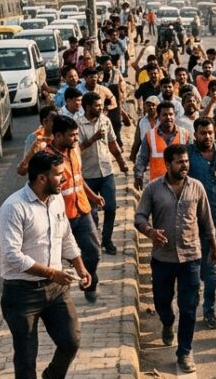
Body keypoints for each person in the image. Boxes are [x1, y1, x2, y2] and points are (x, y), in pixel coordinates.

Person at [0, 151, 92, 379]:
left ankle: (55, 376)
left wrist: (80, 267)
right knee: (26, 357)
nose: (64, 178)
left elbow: (66, 237)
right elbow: (12, 256)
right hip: (21, 294)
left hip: (55, 289)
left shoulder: (57, 200)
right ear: (41, 178)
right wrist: (53, 273)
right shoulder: (13, 208)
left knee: (71, 340)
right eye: (58, 174)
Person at [136, 143, 216, 373]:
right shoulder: (153, 189)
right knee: (162, 302)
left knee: (189, 307)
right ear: (168, 164)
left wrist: (213, 247)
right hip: (162, 258)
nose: (185, 166)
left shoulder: (197, 187)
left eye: (187, 161)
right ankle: (167, 322)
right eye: (180, 162)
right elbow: (140, 216)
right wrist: (150, 231)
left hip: (191, 257)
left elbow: (206, 220)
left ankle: (184, 353)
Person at [48, 115, 106, 304]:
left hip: (82, 209)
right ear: (57, 136)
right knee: (56, 257)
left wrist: (93, 197)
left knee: (93, 251)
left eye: (76, 135)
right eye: (71, 136)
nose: (75, 139)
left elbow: (78, 179)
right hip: (59, 216)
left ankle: (89, 283)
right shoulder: (46, 157)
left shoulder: (74, 151)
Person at [187, 118, 216, 330]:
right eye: (203, 133)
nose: (207, 137)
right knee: (193, 266)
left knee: (213, 264)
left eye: (211, 133)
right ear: (195, 134)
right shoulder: (187, 155)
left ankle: (210, 311)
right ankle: (189, 308)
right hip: (189, 219)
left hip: (215, 217)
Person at [79, 92, 129, 256]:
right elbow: (76, 149)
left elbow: (112, 143)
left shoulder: (105, 121)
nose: (100, 108)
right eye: (97, 105)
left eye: (101, 105)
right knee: (91, 212)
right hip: (87, 175)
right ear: (87, 107)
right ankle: (94, 241)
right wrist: (92, 139)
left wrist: (121, 162)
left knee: (111, 207)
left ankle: (107, 240)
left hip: (106, 172)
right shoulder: (78, 124)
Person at [135, 102, 192, 185]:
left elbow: (192, 159)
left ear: (174, 116)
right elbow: (142, 159)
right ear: (158, 117)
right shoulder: (149, 136)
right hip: (157, 185)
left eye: (171, 114)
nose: (168, 117)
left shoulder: (185, 134)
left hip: (180, 184)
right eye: (164, 115)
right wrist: (138, 176)